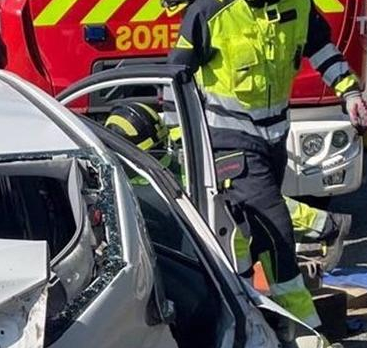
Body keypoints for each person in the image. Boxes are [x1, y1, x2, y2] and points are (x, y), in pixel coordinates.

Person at [163, 0, 367, 339]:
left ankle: (246, 311)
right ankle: (306, 332)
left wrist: (349, 93)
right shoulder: (210, 10)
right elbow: (174, 79)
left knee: (245, 230)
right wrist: (182, 144)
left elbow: (321, 48)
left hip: (274, 140)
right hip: (226, 141)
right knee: (276, 229)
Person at [104, 101, 352, 271]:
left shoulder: (145, 175)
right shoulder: (170, 140)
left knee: (260, 208)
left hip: (218, 186)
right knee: (260, 206)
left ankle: (327, 226)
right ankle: (326, 226)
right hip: (226, 154)